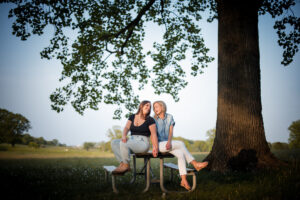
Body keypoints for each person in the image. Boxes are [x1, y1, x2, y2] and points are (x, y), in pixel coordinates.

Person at [153, 100, 208, 190]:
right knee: (181, 143)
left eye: (157, 106)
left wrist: (169, 142)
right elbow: (153, 134)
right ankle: (195, 164)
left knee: (180, 154)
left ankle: (183, 180)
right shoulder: (153, 119)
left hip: (168, 143)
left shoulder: (170, 117)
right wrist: (155, 147)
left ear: (162, 107)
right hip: (159, 145)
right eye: (154, 107)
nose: (155, 109)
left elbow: (171, 131)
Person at [111, 100, 159, 174]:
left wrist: (155, 147)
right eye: (147, 105)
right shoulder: (132, 116)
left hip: (143, 143)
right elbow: (126, 128)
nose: (149, 107)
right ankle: (122, 163)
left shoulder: (150, 120)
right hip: (132, 140)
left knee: (124, 143)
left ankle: (126, 165)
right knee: (114, 142)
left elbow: (154, 134)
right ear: (141, 106)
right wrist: (124, 136)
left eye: (150, 106)